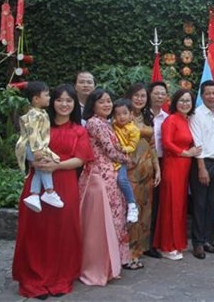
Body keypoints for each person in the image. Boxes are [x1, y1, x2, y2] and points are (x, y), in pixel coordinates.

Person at [12, 84, 94, 299]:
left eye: (69, 100)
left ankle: (59, 277)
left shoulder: (79, 130)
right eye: (59, 99)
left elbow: (81, 159)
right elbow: (25, 144)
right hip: (35, 186)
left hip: (65, 185)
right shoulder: (41, 123)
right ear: (51, 102)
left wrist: (55, 166)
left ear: (75, 104)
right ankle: (34, 277)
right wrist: (34, 160)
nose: (64, 104)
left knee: (63, 232)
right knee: (35, 232)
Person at [79, 88, 133, 285]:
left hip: (108, 174)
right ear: (93, 104)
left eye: (109, 101)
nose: (107, 104)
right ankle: (101, 265)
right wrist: (127, 159)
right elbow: (110, 150)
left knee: (112, 219)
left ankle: (110, 264)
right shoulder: (95, 123)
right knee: (104, 222)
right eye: (102, 101)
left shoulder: (105, 123)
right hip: (100, 175)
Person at [153, 89, 201, 260]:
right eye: (181, 100)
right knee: (170, 206)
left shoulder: (186, 120)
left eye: (188, 101)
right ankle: (166, 245)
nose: (185, 104)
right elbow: (166, 143)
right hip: (173, 166)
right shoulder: (171, 120)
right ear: (175, 102)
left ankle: (176, 243)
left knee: (179, 206)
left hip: (184, 169)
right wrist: (186, 153)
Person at [124, 83, 162, 266]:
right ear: (130, 96)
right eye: (136, 95)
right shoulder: (122, 116)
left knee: (146, 211)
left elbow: (153, 146)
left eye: (143, 96)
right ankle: (128, 252)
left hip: (147, 169)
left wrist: (157, 168)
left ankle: (140, 248)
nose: (140, 99)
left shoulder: (148, 117)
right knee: (131, 210)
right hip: (129, 170)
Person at [189, 80, 214, 259]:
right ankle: (197, 243)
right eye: (208, 93)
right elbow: (197, 142)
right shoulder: (196, 114)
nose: (212, 96)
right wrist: (202, 169)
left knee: (212, 205)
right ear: (202, 96)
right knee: (200, 205)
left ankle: (206, 240)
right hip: (203, 164)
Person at [15, 81, 63, 212]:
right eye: (46, 95)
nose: (49, 98)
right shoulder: (34, 115)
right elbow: (33, 133)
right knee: (44, 166)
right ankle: (49, 191)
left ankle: (34, 195)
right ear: (36, 99)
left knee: (38, 170)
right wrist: (37, 150)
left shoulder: (39, 112)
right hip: (32, 146)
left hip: (35, 145)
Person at [147, 81, 169, 258]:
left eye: (163, 93)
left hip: (161, 162)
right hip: (140, 162)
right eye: (157, 93)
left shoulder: (166, 117)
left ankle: (151, 243)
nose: (160, 96)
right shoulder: (140, 115)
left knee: (155, 203)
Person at [111, 98, 140, 224]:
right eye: (118, 114)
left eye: (125, 113)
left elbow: (132, 146)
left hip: (122, 158)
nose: (121, 117)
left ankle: (132, 204)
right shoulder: (112, 125)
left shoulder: (133, 129)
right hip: (111, 158)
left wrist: (123, 149)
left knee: (122, 179)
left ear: (131, 114)